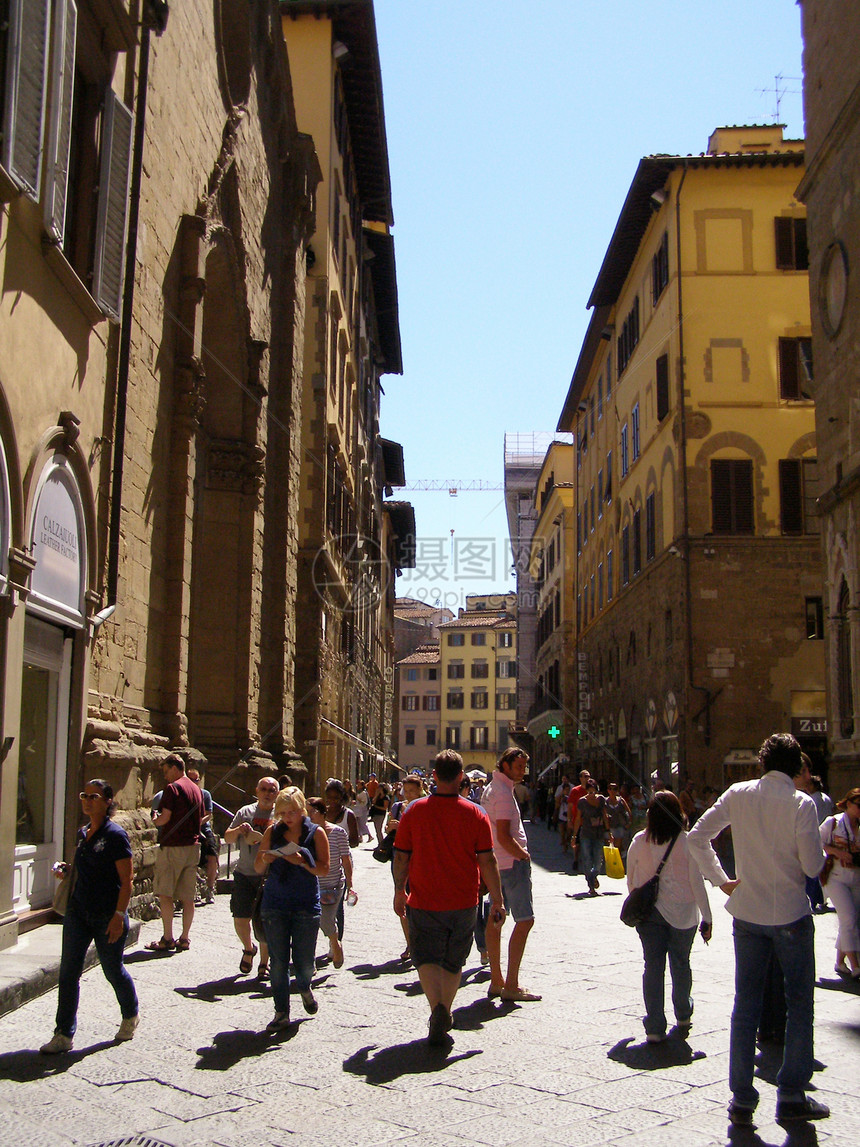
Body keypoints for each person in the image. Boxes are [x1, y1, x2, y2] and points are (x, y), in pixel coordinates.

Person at [687, 733, 829, 1126]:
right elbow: (814, 867)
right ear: (796, 766)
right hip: (790, 913)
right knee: (799, 1005)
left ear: (763, 763)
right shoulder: (801, 804)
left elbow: (697, 837)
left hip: (747, 915)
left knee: (745, 1005)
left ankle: (742, 1098)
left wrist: (721, 880)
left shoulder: (738, 793)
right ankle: (792, 1094)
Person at [393, 750, 505, 1045]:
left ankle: (437, 1008)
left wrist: (398, 891)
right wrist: (498, 899)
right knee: (454, 961)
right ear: (460, 777)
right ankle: (445, 1008)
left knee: (426, 958)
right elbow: (488, 861)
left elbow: (401, 857)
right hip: (463, 900)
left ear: (433, 776)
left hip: (423, 898)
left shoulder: (413, 811)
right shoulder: (475, 813)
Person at [40, 780, 139, 1053]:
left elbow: (127, 879)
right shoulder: (84, 833)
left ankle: (130, 1013)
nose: (87, 800)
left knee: (112, 969)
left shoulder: (116, 835)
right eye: (84, 795)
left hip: (107, 914)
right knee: (68, 972)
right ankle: (63, 1034)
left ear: (108, 801)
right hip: (78, 912)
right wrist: (67, 869)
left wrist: (119, 915)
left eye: (94, 796)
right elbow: (87, 868)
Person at [626, 791, 712, 1043]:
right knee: (681, 963)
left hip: (649, 913)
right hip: (684, 912)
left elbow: (631, 880)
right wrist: (707, 917)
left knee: (652, 966)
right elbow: (698, 883)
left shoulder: (639, 841)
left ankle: (654, 1026)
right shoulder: (688, 842)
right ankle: (683, 1012)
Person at [254, 787, 330, 1029]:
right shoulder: (272, 832)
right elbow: (257, 867)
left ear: (302, 810)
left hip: (305, 904)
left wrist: (303, 863)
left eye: (293, 812)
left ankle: (305, 986)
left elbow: (324, 869)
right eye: (283, 812)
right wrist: (265, 859)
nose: (287, 817)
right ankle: (281, 1012)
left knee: (305, 962)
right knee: (277, 961)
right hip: (275, 902)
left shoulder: (316, 833)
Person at [481, 748, 541, 1003]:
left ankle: (497, 980)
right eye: (518, 766)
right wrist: (523, 855)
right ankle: (512, 984)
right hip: (511, 863)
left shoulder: (492, 788)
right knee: (525, 920)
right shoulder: (504, 794)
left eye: (524, 766)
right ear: (505, 765)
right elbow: (505, 836)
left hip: (494, 864)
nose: (522, 771)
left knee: (496, 918)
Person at [147, 753, 204, 952]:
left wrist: (154, 818)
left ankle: (167, 938)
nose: (165, 776)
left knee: (166, 894)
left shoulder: (173, 788)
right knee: (188, 897)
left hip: (173, 847)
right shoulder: (197, 789)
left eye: (165, 771)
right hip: (193, 847)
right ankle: (185, 938)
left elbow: (165, 818)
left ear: (174, 767)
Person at [223, 776, 278, 978]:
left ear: (277, 793)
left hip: (269, 876)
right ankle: (248, 948)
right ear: (257, 791)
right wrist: (239, 830)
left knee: (264, 921)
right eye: (263, 789)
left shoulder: (281, 815)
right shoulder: (245, 812)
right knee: (240, 919)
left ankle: (264, 963)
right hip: (244, 874)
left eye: (272, 790)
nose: (267, 793)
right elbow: (227, 837)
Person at [307, 797, 354, 968]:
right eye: (306, 812)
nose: (309, 815)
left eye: (312, 811)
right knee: (308, 923)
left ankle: (335, 943)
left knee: (326, 920)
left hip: (332, 884)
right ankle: (308, 961)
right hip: (309, 885)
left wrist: (350, 884)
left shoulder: (337, 832)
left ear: (322, 813)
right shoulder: (304, 833)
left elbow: (345, 859)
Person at [820, 787, 860, 978]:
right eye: (859, 805)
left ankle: (839, 962)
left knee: (850, 920)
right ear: (849, 803)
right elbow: (817, 842)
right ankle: (856, 965)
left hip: (857, 878)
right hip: (836, 878)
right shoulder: (833, 822)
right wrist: (837, 852)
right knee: (849, 918)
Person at [386, 773, 425, 961]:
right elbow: (387, 829)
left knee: (418, 900)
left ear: (420, 790)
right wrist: (391, 827)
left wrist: (402, 825)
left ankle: (420, 941)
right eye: (406, 791)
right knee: (402, 898)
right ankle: (410, 943)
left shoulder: (425, 807)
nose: (408, 794)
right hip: (399, 856)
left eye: (412, 791)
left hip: (419, 857)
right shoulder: (396, 807)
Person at [572, 779, 612, 895]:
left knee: (598, 861)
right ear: (586, 791)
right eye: (590, 792)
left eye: (594, 792)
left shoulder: (601, 800)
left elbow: (605, 816)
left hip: (599, 833)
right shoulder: (582, 802)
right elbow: (578, 819)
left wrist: (608, 831)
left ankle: (594, 876)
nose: (592, 795)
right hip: (586, 834)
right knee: (587, 859)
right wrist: (574, 836)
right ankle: (591, 885)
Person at [187, 767, 218, 904]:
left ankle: (210, 888)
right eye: (190, 779)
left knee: (212, 856)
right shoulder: (184, 794)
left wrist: (198, 823)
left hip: (203, 829)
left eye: (196, 779)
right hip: (188, 830)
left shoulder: (205, 794)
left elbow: (208, 815)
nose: (194, 782)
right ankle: (193, 889)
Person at [606, 782, 632, 859]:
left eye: (614, 789)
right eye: (610, 789)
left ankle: (616, 861)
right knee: (609, 846)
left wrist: (629, 822)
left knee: (617, 847)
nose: (612, 791)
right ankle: (610, 862)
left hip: (619, 825)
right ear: (608, 790)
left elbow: (629, 812)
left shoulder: (621, 800)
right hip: (609, 827)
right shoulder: (605, 801)